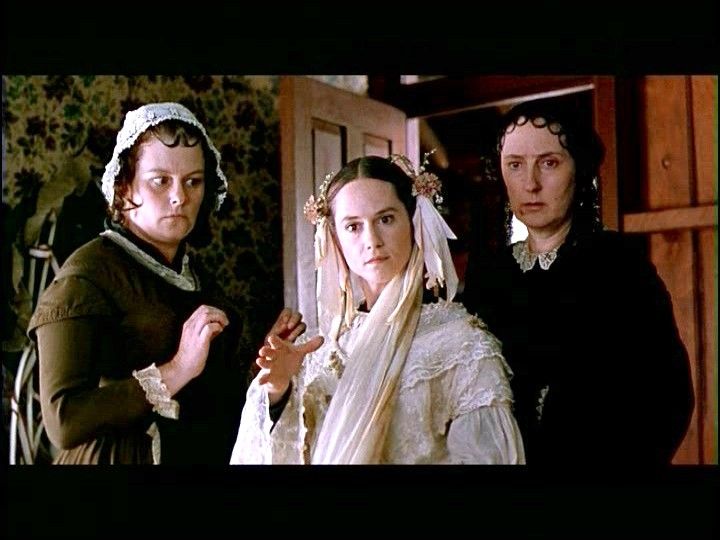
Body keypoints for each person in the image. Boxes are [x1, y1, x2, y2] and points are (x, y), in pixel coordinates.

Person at [27, 102, 305, 464]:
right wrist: (176, 369)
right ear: (124, 188)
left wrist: (265, 370)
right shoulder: (88, 274)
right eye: (160, 181)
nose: (180, 197)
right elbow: (63, 421)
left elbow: (211, 409)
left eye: (193, 181)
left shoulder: (199, 279)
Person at [230, 154, 525, 464]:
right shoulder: (317, 348)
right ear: (335, 238)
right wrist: (278, 392)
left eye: (385, 219)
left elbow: (488, 457)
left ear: (413, 222)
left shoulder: (461, 344)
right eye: (353, 226)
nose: (371, 240)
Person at [462, 98, 694, 464]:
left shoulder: (618, 265)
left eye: (549, 163)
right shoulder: (488, 275)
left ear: (579, 169)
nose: (530, 183)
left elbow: (668, 397)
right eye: (515, 165)